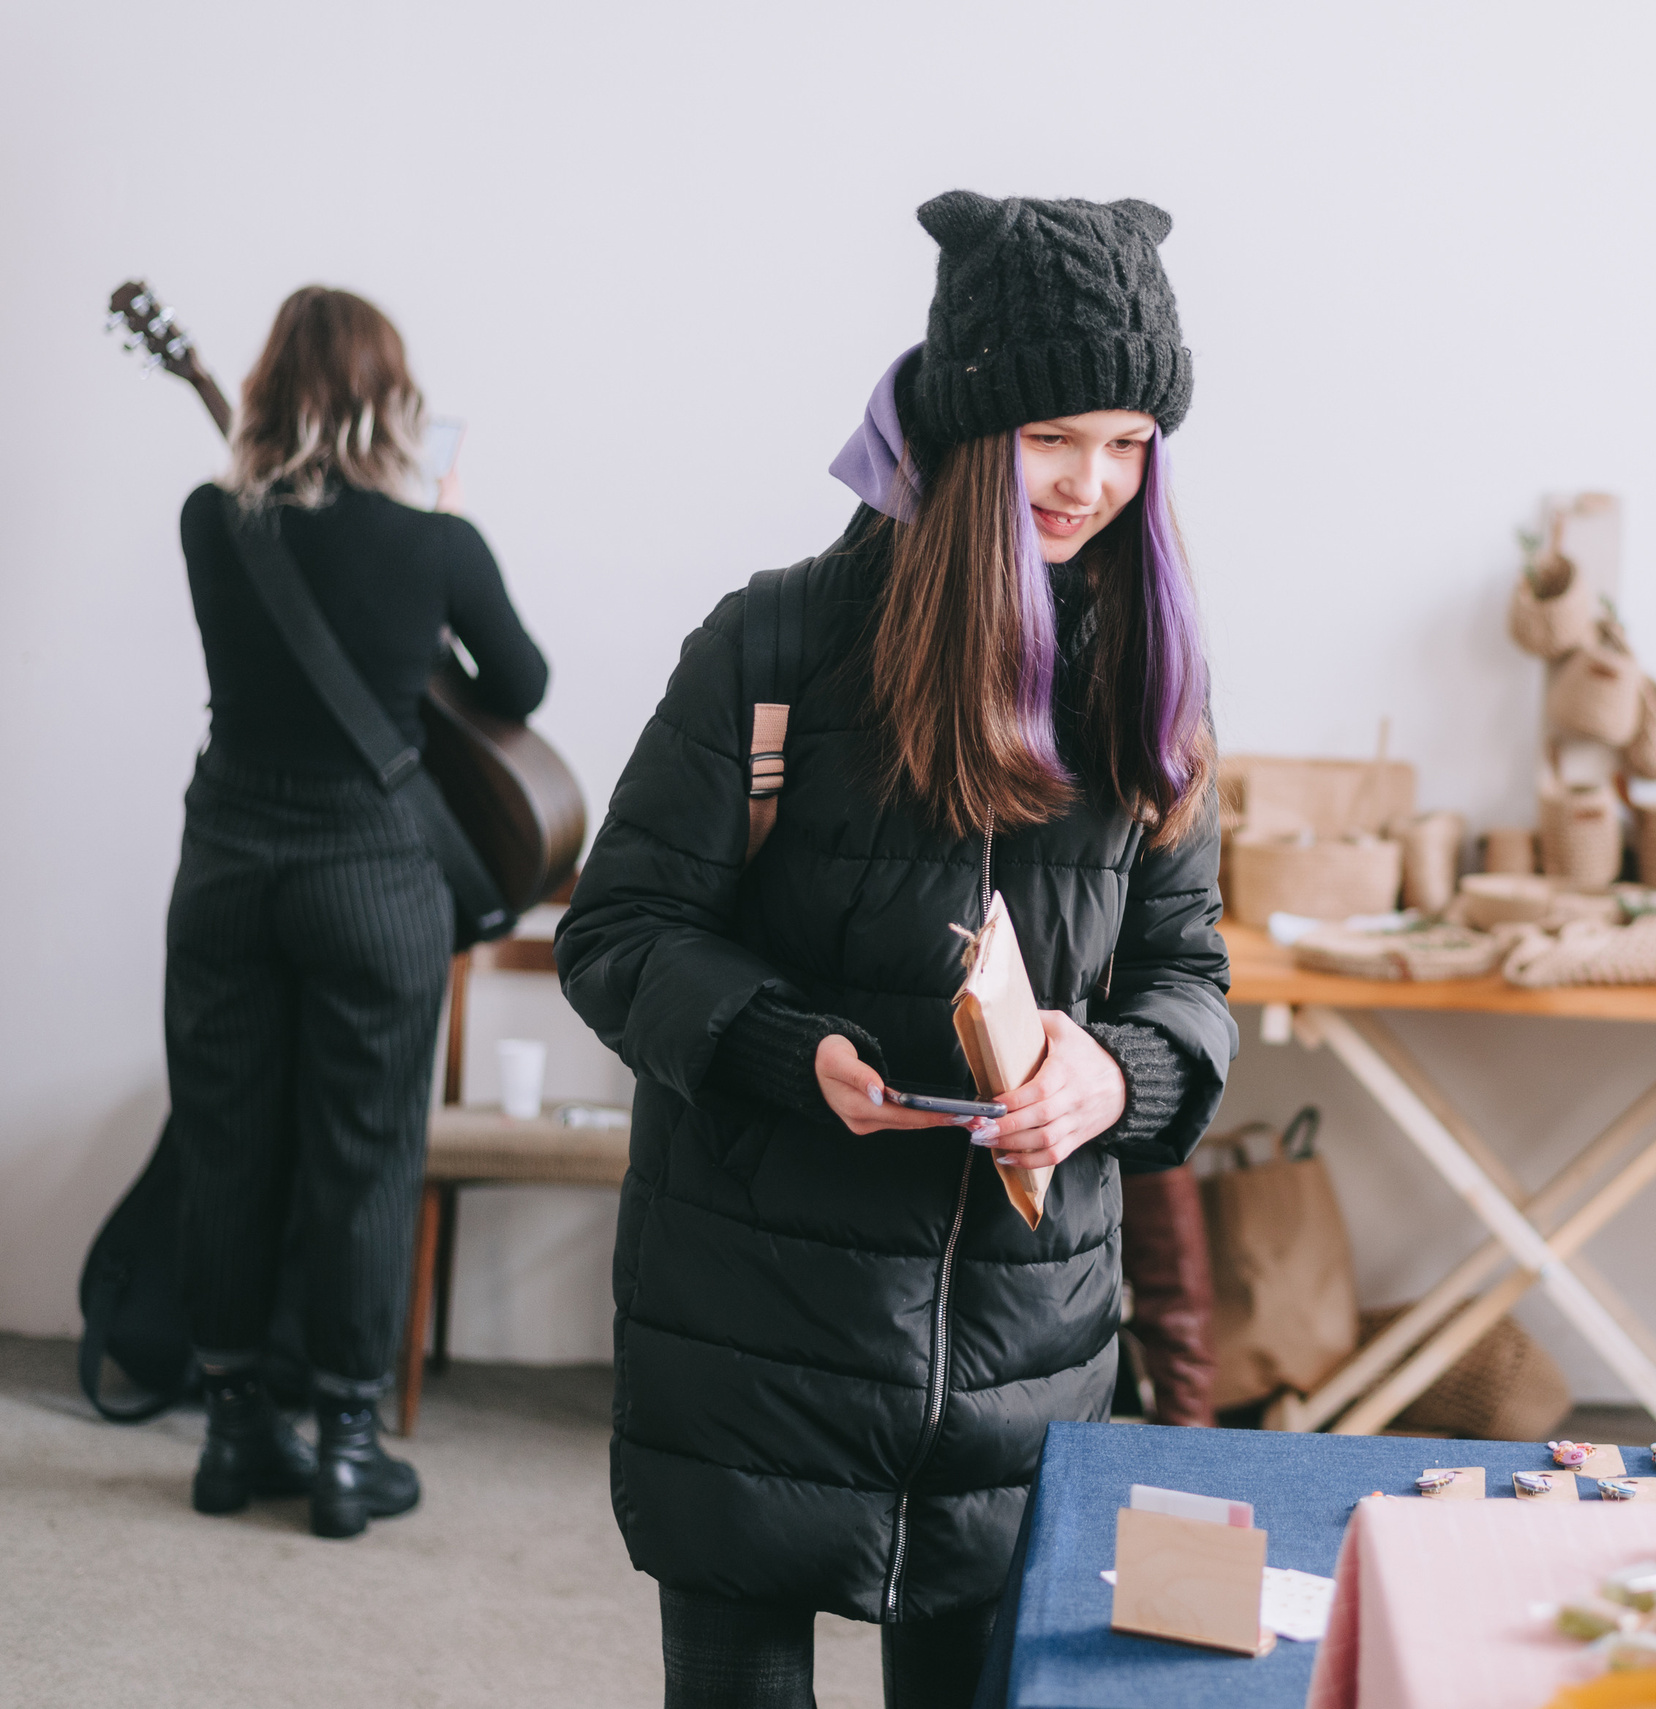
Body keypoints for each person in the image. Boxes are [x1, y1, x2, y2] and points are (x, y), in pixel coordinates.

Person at [554, 191, 1234, 1709]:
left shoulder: (1149, 680)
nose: (1092, 481)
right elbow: (615, 933)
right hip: (752, 1321)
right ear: (971, 426)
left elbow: (1192, 982)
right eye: (1056, 436)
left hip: (1019, 1348)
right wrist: (788, 1048)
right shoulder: (776, 645)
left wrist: (1109, 1077)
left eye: (1130, 443)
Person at [169, 287, 548, 1538]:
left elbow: (280, 592)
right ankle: (342, 1440)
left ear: (270, 386)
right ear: (394, 403)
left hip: (227, 866)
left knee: (229, 1140)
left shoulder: (209, 522)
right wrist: (429, 554)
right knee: (364, 1156)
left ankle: (232, 1432)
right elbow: (523, 682)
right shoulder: (436, 543)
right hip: (372, 880)